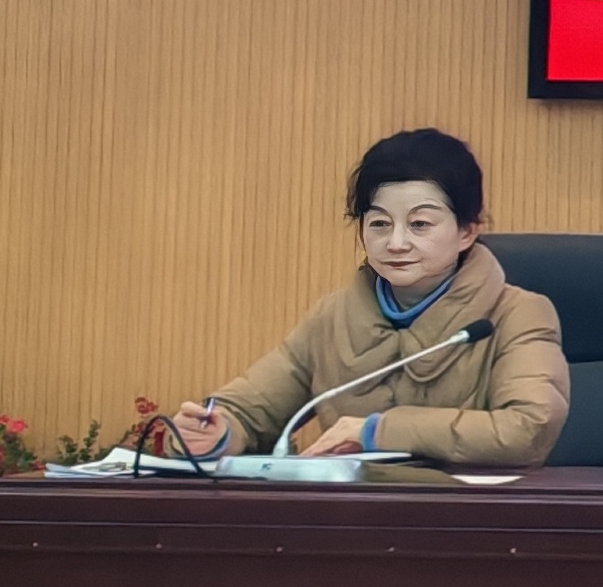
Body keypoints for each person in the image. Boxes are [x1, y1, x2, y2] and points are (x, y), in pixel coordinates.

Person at [171, 128, 569, 468]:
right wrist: (220, 432)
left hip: (468, 517)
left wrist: (376, 431)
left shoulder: (518, 313)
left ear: (466, 231)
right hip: (351, 518)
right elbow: (250, 409)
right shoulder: (332, 316)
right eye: (379, 223)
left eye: (419, 224)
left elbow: (527, 428)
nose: (396, 243)